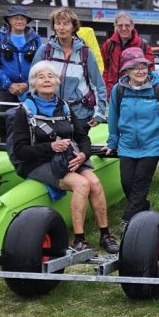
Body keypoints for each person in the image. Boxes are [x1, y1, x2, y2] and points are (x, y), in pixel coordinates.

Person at [11, 61, 118, 253]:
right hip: (38, 162)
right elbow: (20, 151)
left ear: (58, 81)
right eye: (41, 77)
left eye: (50, 76)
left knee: (94, 182)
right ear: (33, 83)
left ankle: (105, 234)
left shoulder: (65, 107)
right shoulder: (24, 111)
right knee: (81, 184)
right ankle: (79, 240)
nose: (46, 80)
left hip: (67, 159)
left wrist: (83, 154)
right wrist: (50, 147)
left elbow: (81, 136)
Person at [106, 47, 159, 229]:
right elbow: (113, 116)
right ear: (126, 71)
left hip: (153, 144)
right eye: (135, 67)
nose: (140, 71)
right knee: (127, 182)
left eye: (143, 66)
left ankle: (128, 220)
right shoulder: (119, 89)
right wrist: (113, 141)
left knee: (140, 183)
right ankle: (143, 208)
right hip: (127, 144)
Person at [32, 7, 108, 125]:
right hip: (48, 113)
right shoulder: (44, 51)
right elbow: (33, 82)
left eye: (66, 24)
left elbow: (98, 86)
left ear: (73, 27)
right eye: (58, 23)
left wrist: (99, 113)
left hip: (80, 114)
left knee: (79, 144)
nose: (61, 28)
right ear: (54, 26)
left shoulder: (86, 53)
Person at [0, 6, 42, 136]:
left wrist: (28, 84)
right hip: (6, 90)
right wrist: (8, 84)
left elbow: (41, 65)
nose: (19, 21)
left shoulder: (35, 39)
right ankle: (4, 149)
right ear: (9, 20)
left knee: (32, 122)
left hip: (30, 89)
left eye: (23, 18)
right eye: (16, 18)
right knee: (5, 123)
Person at [99, 11, 154, 96]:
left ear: (132, 26)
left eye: (127, 25)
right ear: (116, 26)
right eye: (120, 25)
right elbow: (105, 69)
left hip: (136, 93)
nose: (124, 28)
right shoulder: (108, 45)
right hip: (113, 92)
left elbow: (150, 70)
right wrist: (107, 88)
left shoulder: (143, 45)